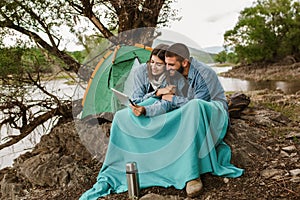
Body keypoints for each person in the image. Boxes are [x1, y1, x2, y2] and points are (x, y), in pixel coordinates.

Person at [80, 43, 244, 200]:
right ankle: (160, 160)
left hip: (214, 112)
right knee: (167, 113)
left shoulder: (205, 73)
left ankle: (191, 175)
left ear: (185, 62)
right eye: (166, 64)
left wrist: (173, 98)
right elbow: (166, 103)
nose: (168, 69)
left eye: (171, 65)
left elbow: (198, 103)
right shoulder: (173, 75)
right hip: (190, 109)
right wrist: (146, 111)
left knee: (194, 105)